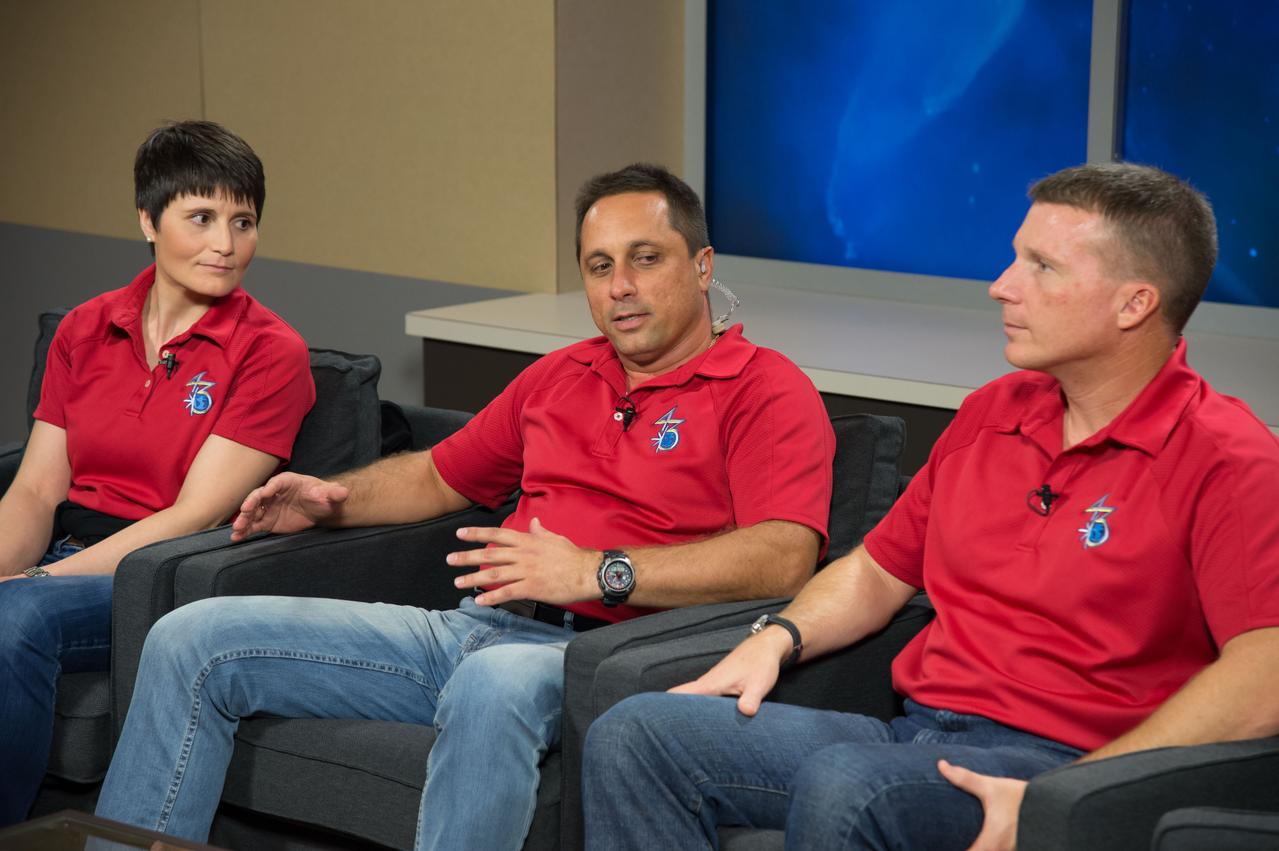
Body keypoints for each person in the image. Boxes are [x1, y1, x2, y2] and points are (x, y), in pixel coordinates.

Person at [93, 163, 836, 850]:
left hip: (608, 657)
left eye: (646, 258)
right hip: (470, 629)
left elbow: (783, 554)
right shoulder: (559, 375)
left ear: (701, 267)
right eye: (599, 266)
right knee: (191, 635)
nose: (619, 287)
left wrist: (597, 570)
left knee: (495, 679)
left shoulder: (764, 388)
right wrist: (330, 503)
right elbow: (439, 476)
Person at [582, 162, 1279, 851]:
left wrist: (1067, 796)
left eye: (1040, 267)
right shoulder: (990, 413)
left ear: (1134, 303)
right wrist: (776, 637)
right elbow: (875, 572)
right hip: (914, 735)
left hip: (1063, 764)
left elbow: (1264, 671)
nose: (1000, 287)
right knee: (636, 732)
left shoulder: (1225, 456)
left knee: (850, 782)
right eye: (1014, 259)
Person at [0, 120, 315, 826]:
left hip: (157, 573)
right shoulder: (84, 327)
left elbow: (194, 514)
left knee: (15, 615)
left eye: (243, 221)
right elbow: (36, 487)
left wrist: (38, 582)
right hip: (64, 550)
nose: (225, 244)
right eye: (200, 217)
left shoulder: (271, 353)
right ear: (147, 219)